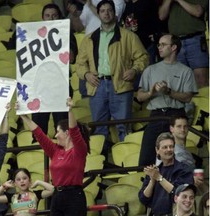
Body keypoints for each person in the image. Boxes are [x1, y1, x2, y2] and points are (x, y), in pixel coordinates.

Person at [76, 0, 149, 146]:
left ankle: (127, 164)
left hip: (121, 85)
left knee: (124, 127)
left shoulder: (128, 36)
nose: (106, 13)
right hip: (97, 86)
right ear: (98, 14)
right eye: (102, 11)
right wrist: (86, 75)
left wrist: (134, 70)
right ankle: (100, 164)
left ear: (114, 13)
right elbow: (79, 63)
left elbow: (143, 57)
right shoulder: (89, 38)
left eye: (109, 10)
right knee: (99, 128)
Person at [17, 97, 90, 216]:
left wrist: (70, 110)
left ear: (67, 134)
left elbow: (74, 131)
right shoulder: (55, 151)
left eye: (58, 131)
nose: (55, 135)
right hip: (57, 196)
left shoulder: (79, 150)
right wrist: (23, 116)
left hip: (74, 197)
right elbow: (39, 134)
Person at [137, 33, 198, 166]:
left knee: (176, 158)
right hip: (156, 115)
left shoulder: (186, 71)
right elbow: (139, 96)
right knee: (146, 158)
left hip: (176, 115)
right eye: (159, 44)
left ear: (174, 47)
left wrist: (168, 91)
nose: (159, 47)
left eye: (163, 45)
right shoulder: (150, 70)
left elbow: (188, 97)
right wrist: (151, 92)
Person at [31, 3, 78, 139]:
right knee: (38, 131)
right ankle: (39, 159)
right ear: (42, 18)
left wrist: (61, 37)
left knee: (62, 129)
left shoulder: (67, 33)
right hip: (39, 88)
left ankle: (64, 158)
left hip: (61, 86)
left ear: (59, 17)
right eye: (47, 16)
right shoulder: (34, 35)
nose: (51, 19)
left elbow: (72, 57)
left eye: (54, 16)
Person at [138, 132, 194, 215]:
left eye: (171, 146)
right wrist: (152, 181)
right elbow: (143, 199)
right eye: (165, 147)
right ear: (157, 150)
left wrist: (159, 178)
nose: (169, 149)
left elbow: (179, 195)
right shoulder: (154, 171)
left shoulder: (183, 169)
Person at [158, 0, 209, 88]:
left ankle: (202, 102)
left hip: (195, 39)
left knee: (201, 80)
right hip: (175, 42)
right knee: (179, 80)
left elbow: (198, 12)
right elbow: (161, 16)